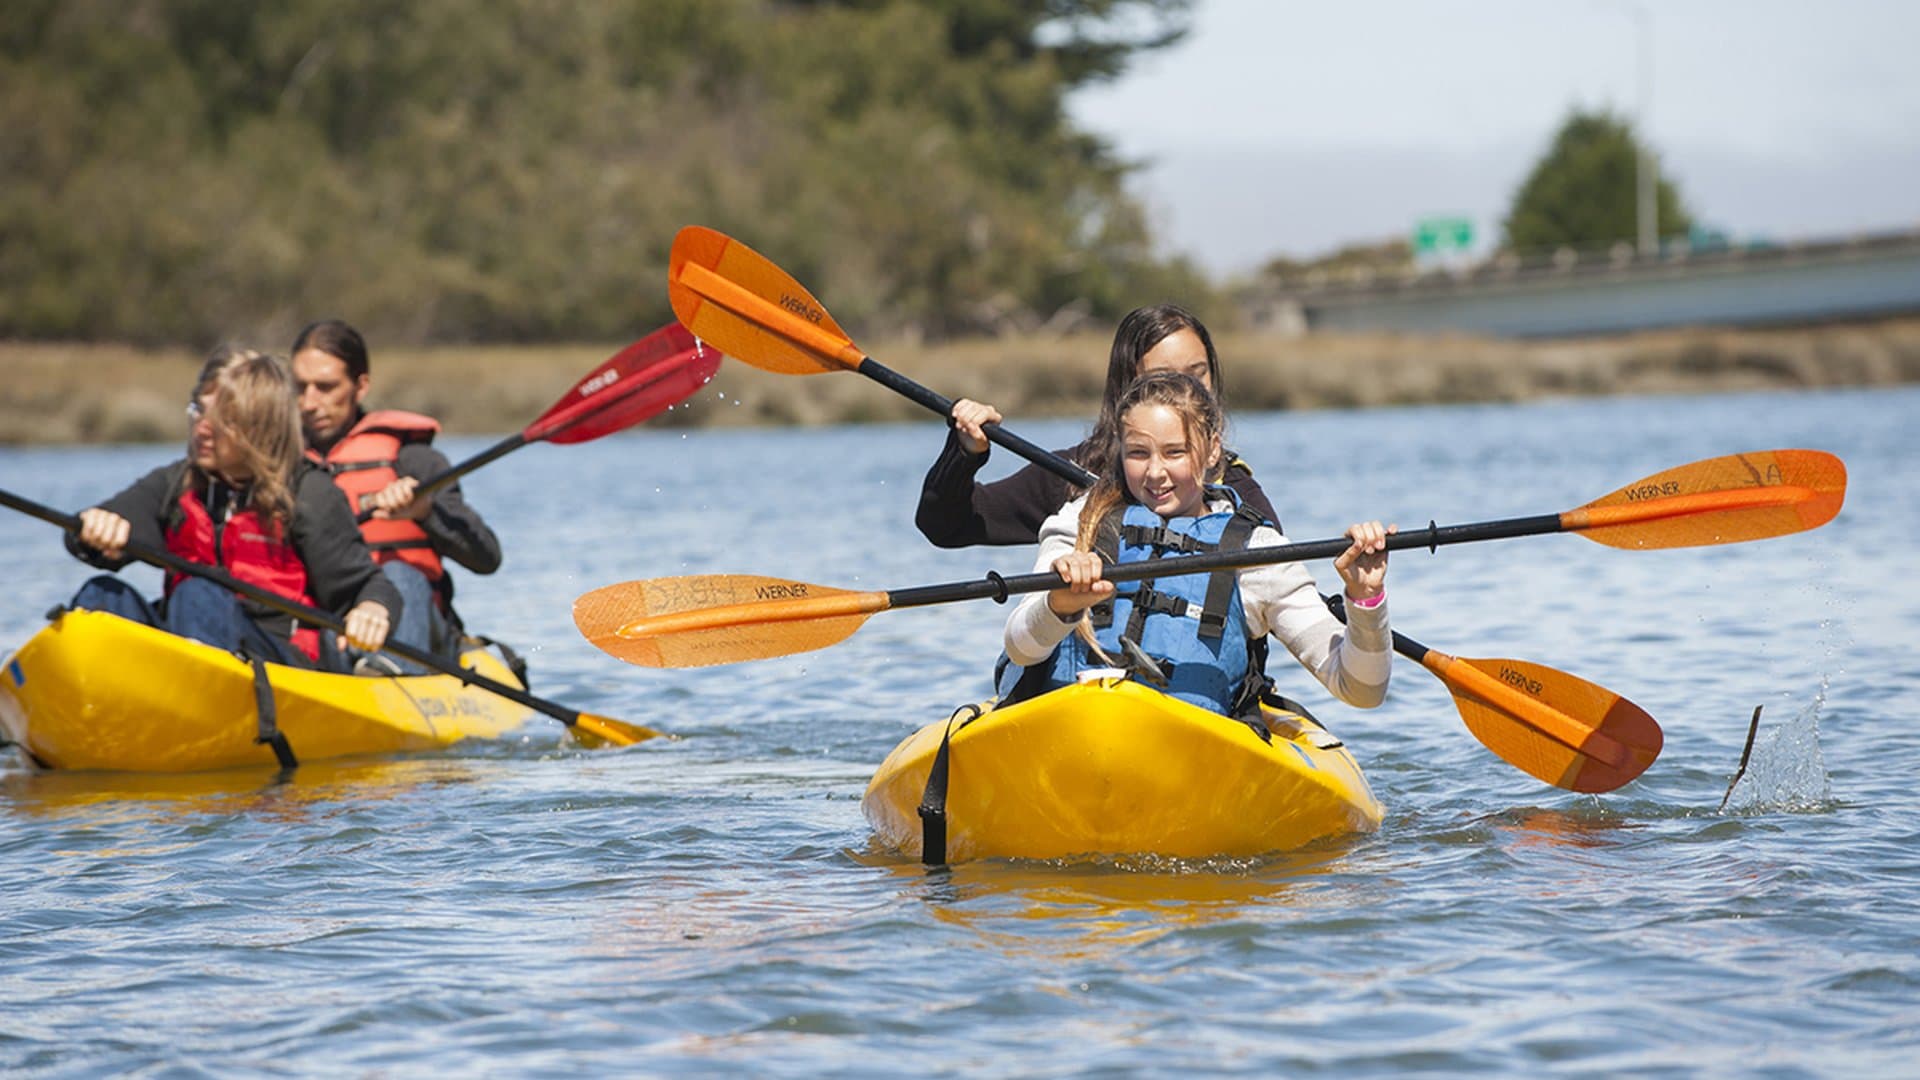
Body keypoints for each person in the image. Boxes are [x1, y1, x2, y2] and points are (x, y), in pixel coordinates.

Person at [998, 371, 1394, 719]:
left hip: (1192, 753)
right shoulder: (1080, 521)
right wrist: (1058, 606)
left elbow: (1361, 690)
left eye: (1175, 452)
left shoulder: (1256, 552)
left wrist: (1365, 598)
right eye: (1138, 453)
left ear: (1212, 450)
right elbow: (1020, 649)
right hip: (1075, 733)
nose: (1155, 473)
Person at [67, 347, 398, 667]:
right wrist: (93, 528)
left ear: (260, 426)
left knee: (199, 590)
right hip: (190, 648)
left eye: (222, 418)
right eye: (198, 411)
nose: (203, 428)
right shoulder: (177, 483)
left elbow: (370, 586)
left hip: (279, 663)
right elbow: (79, 536)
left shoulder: (308, 493)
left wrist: (372, 609)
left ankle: (192, 693)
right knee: (102, 597)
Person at [916, 303, 1280, 549]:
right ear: (1127, 387)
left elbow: (1286, 589)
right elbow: (945, 525)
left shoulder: (1233, 489)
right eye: (1162, 379)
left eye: (1197, 376)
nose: (1184, 391)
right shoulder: (1072, 477)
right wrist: (964, 452)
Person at [291, 319, 500, 671]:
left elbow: (487, 557)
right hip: (329, 625)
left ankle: (385, 674)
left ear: (361, 386)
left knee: (399, 575)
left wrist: (425, 511)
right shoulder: (278, 465)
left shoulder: (413, 459)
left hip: (418, 633)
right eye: (300, 387)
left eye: (325, 387)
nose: (310, 402)